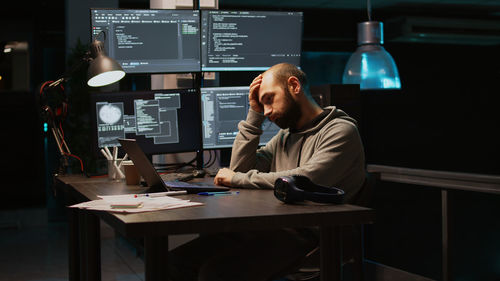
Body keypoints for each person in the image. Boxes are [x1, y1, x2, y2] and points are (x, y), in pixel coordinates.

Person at [167, 63, 366, 281]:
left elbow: (304, 180)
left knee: (215, 274)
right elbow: (239, 169)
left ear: (294, 86)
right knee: (174, 263)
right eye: (263, 105)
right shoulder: (285, 136)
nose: (267, 111)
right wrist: (254, 114)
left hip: (311, 235)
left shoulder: (341, 130)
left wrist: (238, 179)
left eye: (269, 99)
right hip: (273, 225)